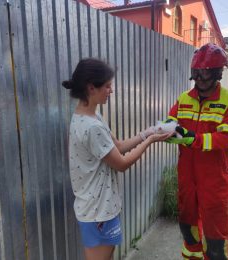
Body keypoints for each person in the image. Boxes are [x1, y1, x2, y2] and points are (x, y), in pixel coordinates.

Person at [62, 58, 173, 260]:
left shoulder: (92, 117)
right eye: (107, 86)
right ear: (91, 88)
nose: (111, 90)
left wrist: (147, 133)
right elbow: (121, 164)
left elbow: (119, 147)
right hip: (97, 212)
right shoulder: (92, 126)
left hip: (101, 208)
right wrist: (151, 142)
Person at [166, 43, 228, 260]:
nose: (199, 78)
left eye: (204, 73)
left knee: (215, 234)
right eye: (196, 73)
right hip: (187, 178)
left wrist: (192, 139)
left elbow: (225, 137)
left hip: (214, 179)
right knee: (188, 228)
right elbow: (172, 120)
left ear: (218, 73)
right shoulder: (184, 99)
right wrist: (165, 128)